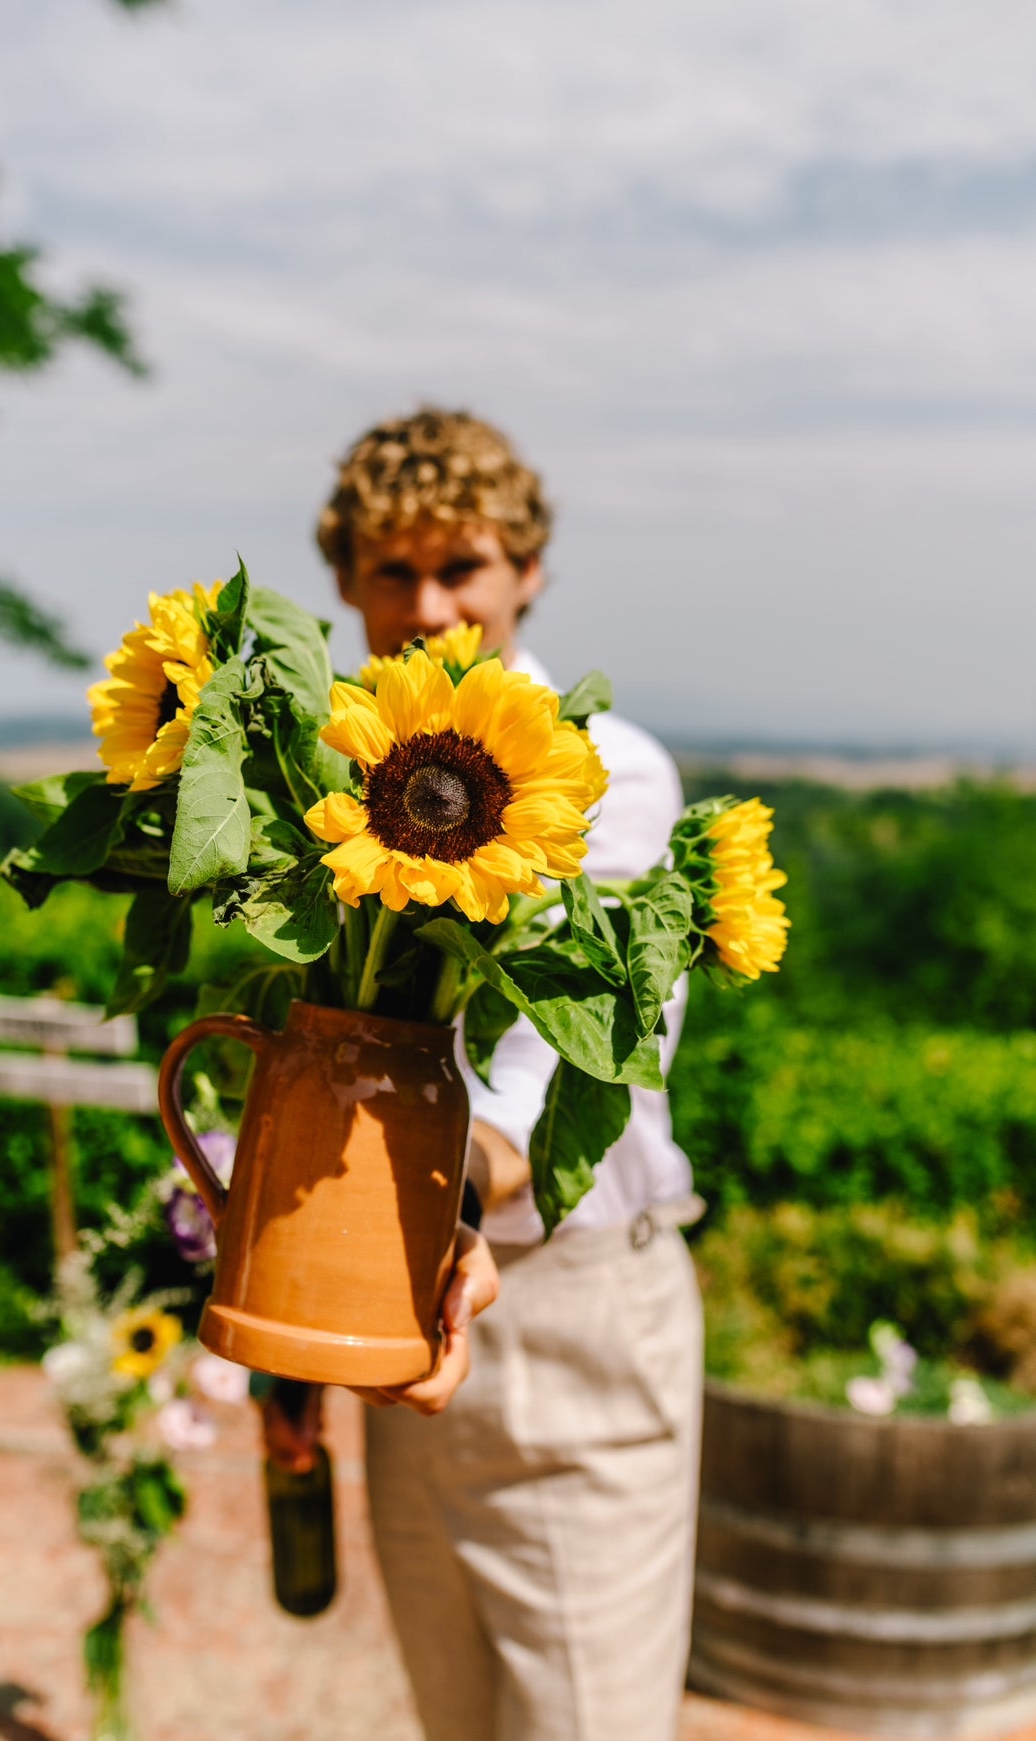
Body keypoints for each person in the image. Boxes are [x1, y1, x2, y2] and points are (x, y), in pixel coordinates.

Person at [264, 407, 704, 1741]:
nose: (428, 606)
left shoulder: (598, 777)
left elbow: (563, 1075)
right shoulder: (324, 783)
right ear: (344, 580)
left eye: (459, 565)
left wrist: (449, 1200)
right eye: (392, 571)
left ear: (525, 569)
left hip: (569, 1328)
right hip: (401, 1322)